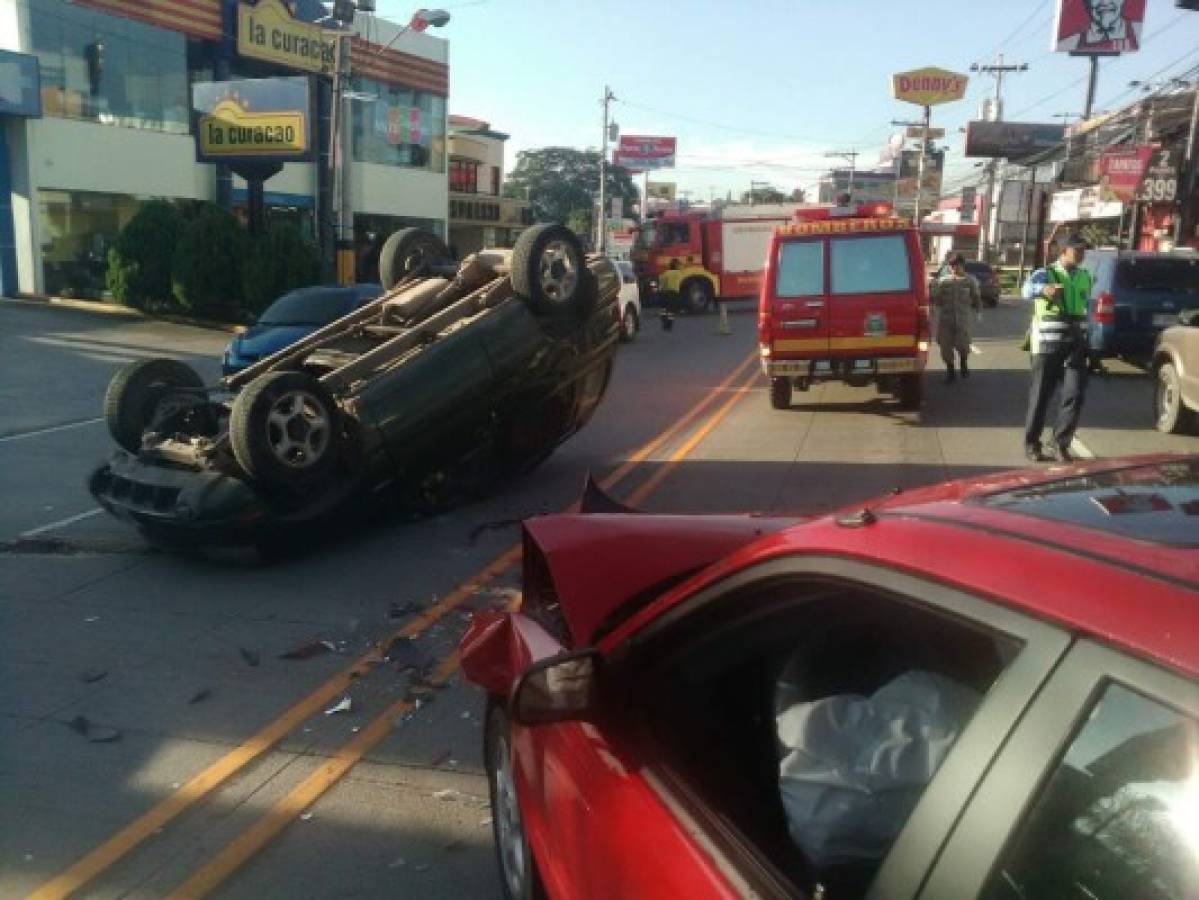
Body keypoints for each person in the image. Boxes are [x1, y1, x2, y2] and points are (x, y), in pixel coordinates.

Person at [1024, 238, 1093, 462]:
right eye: (1078, 250)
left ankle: (1060, 443)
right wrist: (1043, 289)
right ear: (1064, 251)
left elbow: (1085, 306)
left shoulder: (1084, 276)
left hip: (1075, 344)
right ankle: (1032, 443)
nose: (1082, 254)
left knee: (1074, 394)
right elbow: (1026, 290)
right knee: (1041, 396)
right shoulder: (1045, 273)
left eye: (1084, 250)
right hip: (1047, 344)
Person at [931, 253, 982, 383]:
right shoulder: (943, 282)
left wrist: (979, 311)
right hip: (946, 319)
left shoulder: (970, 281)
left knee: (963, 345)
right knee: (945, 346)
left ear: (962, 265)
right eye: (952, 266)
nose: (954, 268)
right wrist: (933, 309)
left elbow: (976, 297)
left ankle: (963, 362)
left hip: (962, 318)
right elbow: (936, 300)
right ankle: (950, 371)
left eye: (956, 265)